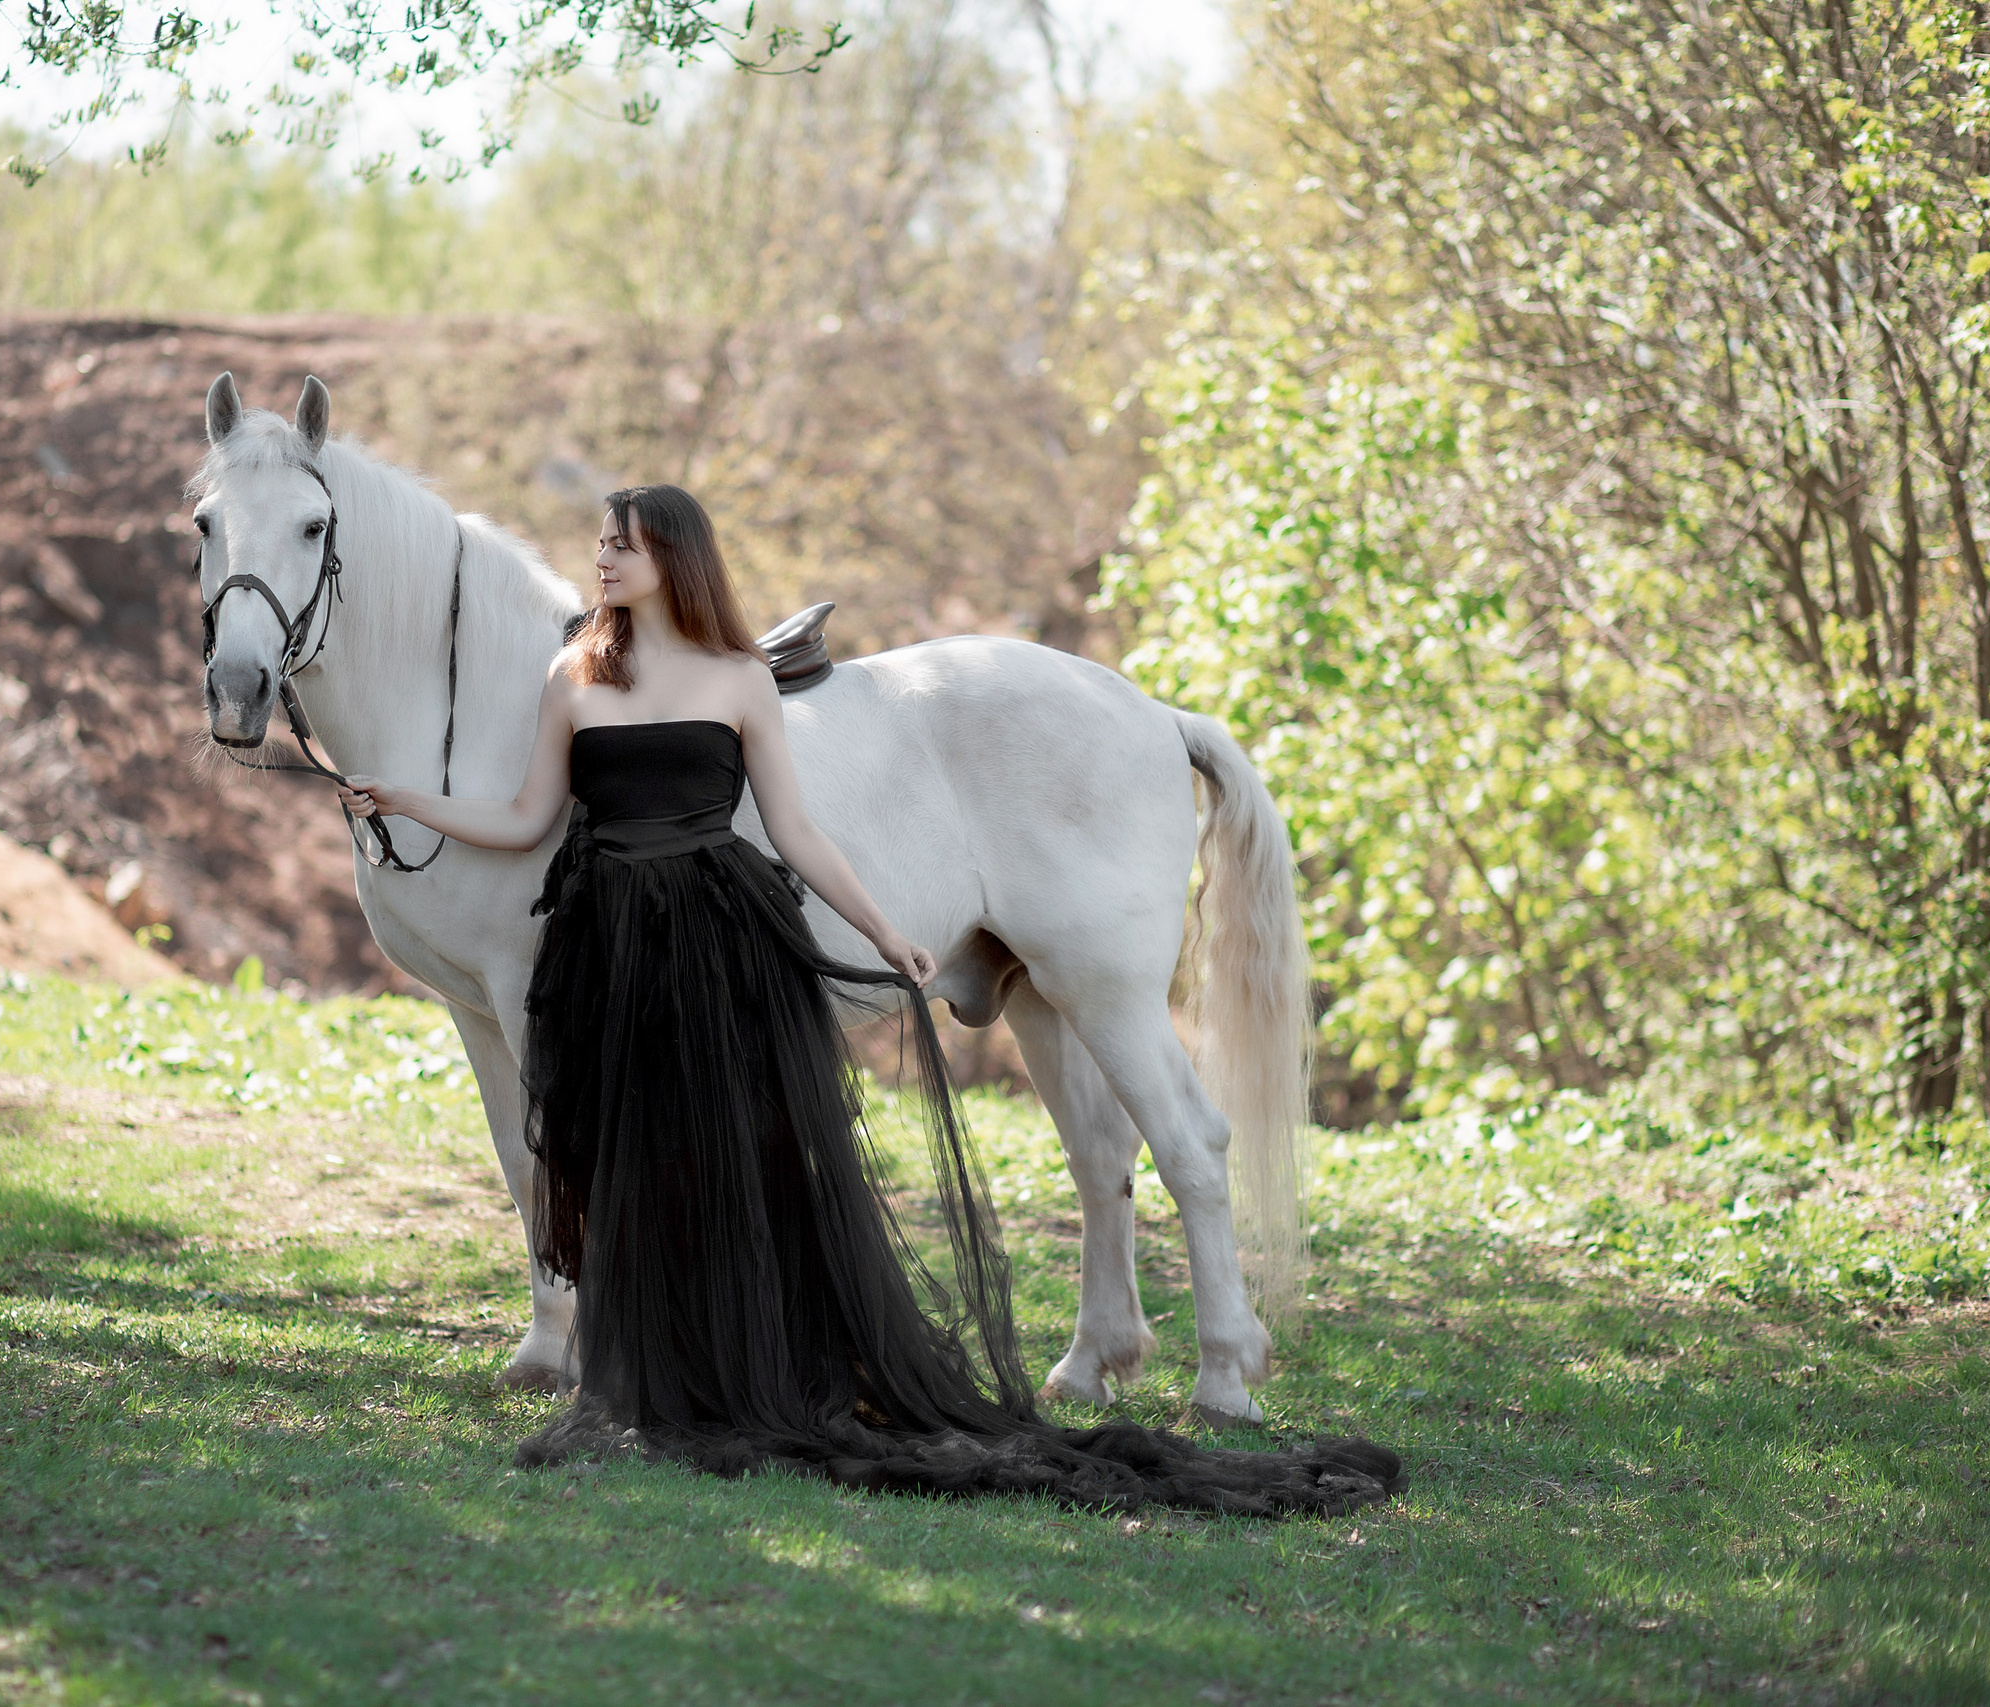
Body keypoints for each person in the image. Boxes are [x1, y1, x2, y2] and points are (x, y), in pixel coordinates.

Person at [340, 484, 1399, 1517]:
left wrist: (894, 929)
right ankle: (649, 1368)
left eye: (622, 545)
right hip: (618, 942)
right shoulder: (572, 677)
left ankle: (1225, 1347)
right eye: (601, 544)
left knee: (806, 1154)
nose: (602, 560)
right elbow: (525, 818)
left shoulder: (739, 680)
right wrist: (402, 797)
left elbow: (799, 833)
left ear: (673, 560)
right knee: (637, 1157)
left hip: (709, 932)